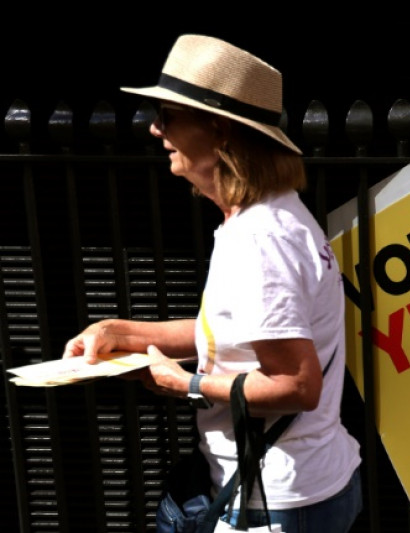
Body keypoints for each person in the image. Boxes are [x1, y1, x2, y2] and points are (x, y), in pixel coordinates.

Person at [61, 34, 363, 532]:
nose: (156, 129)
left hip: (277, 501)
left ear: (220, 131)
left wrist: (186, 384)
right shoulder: (266, 217)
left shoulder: (259, 239)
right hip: (294, 488)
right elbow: (239, 331)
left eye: (169, 115)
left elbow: (297, 385)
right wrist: (123, 332)